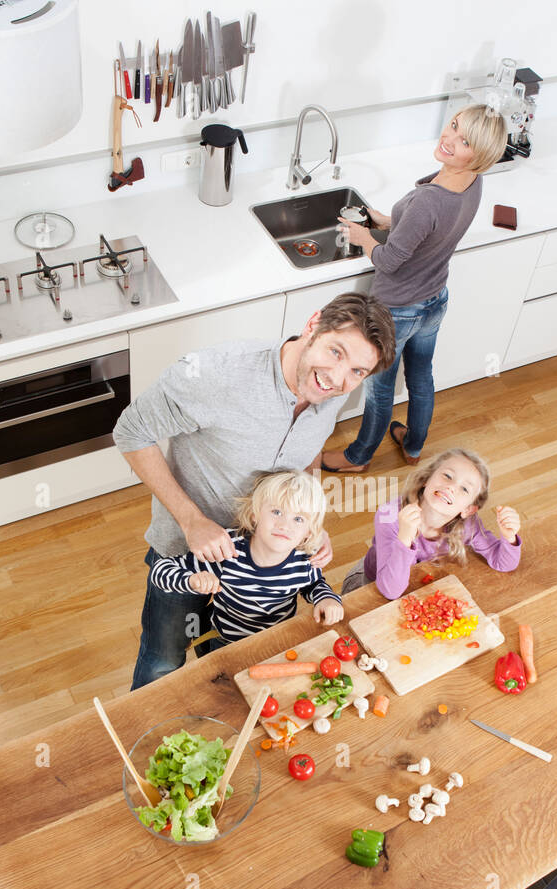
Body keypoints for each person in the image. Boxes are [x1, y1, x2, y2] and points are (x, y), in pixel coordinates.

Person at [112, 292, 396, 688]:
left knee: (234, 656)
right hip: (188, 548)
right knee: (164, 660)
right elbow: (129, 432)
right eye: (335, 351)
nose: (337, 378)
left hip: (269, 557)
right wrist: (193, 521)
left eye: (358, 371)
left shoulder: (332, 391)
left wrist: (309, 519)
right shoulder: (217, 375)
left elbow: (309, 452)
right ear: (312, 325)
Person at [321, 106, 509, 473]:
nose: (449, 138)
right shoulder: (473, 181)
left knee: (379, 389)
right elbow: (427, 228)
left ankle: (357, 457)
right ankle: (414, 445)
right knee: (421, 376)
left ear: (480, 155)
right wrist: (388, 221)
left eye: (464, 140)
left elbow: (390, 260)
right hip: (434, 300)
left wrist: (362, 237)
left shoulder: (428, 200)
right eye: (453, 126)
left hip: (397, 311)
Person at [148, 470, 344, 649]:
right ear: (254, 516)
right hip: (225, 642)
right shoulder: (227, 551)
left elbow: (314, 584)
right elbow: (160, 570)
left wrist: (327, 598)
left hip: (275, 641)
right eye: (277, 512)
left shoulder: (303, 560)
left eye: (298, 519)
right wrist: (191, 581)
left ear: (308, 534)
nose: (285, 525)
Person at [342, 447, 521, 600]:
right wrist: (404, 538)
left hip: (415, 590)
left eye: (465, 489)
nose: (451, 487)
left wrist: (509, 537)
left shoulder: (469, 525)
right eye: (447, 476)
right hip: (370, 587)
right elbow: (390, 590)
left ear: (468, 509)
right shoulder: (389, 515)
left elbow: (503, 563)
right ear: (427, 479)